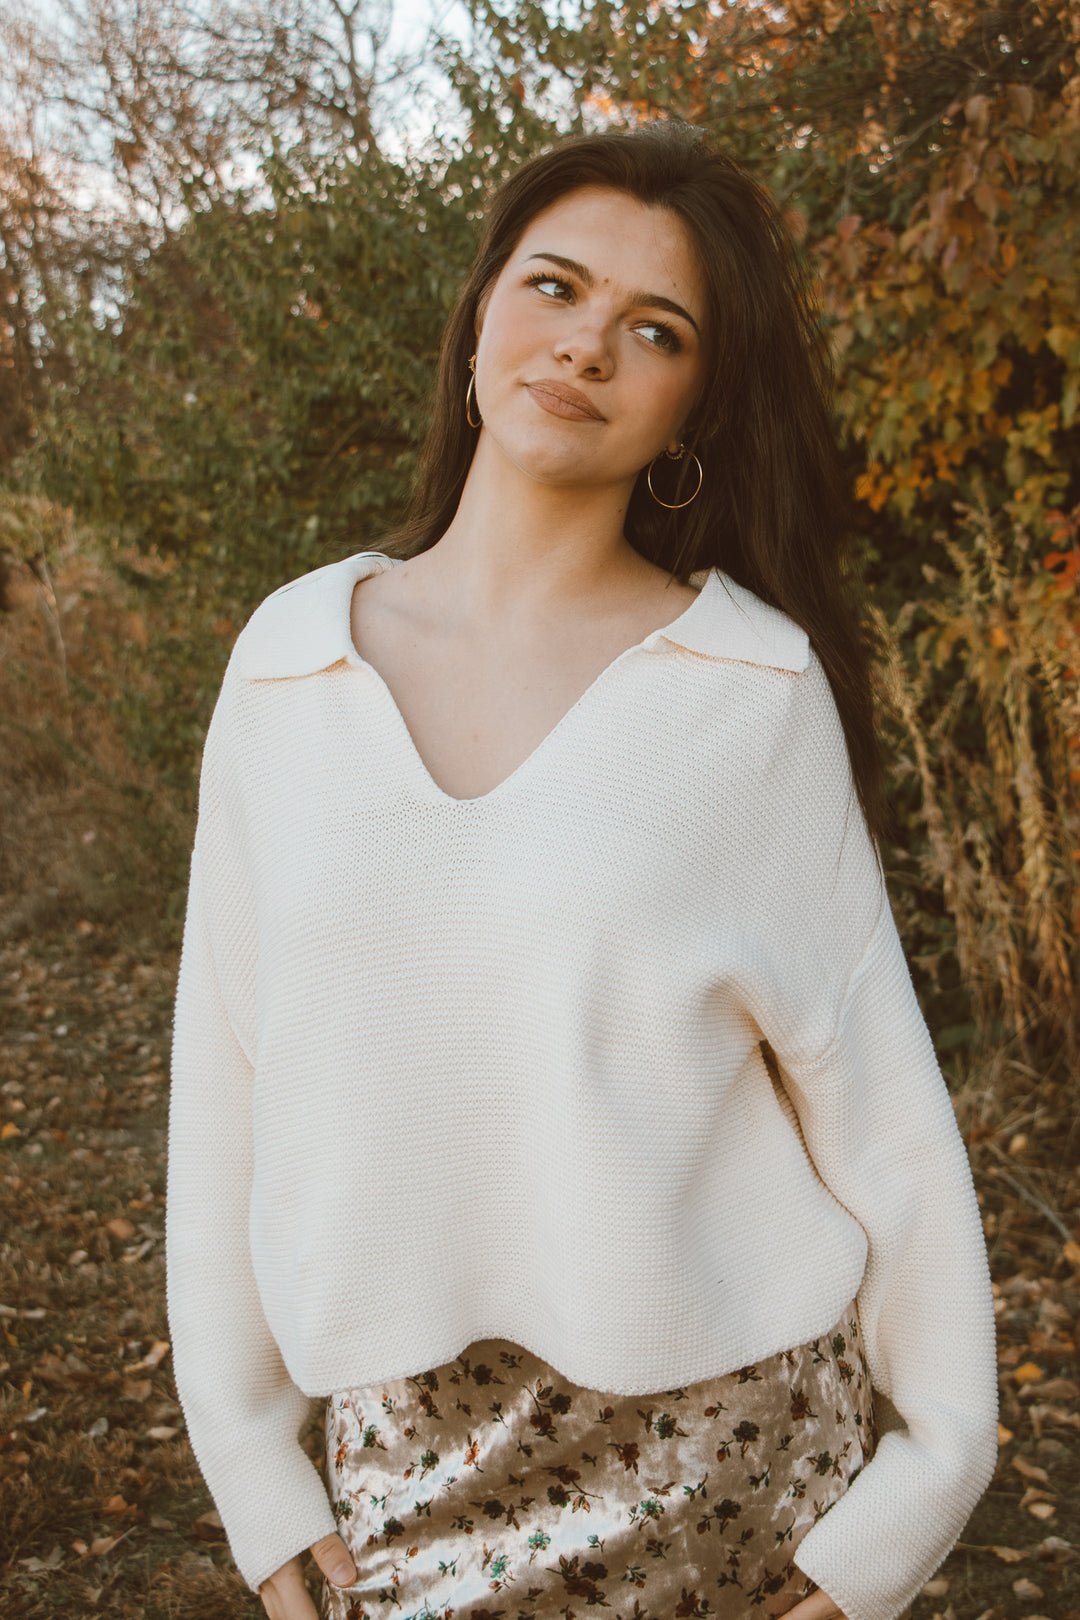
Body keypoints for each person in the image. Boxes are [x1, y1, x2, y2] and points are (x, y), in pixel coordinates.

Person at [166, 126, 998, 1620]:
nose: (587, 345)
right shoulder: (288, 662)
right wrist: (247, 1461)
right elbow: (229, 1073)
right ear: (481, 312)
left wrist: (924, 1484)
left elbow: (877, 1101)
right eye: (554, 287)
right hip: (399, 1482)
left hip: (734, 1478)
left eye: (655, 330)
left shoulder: (748, 687)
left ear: (693, 407)